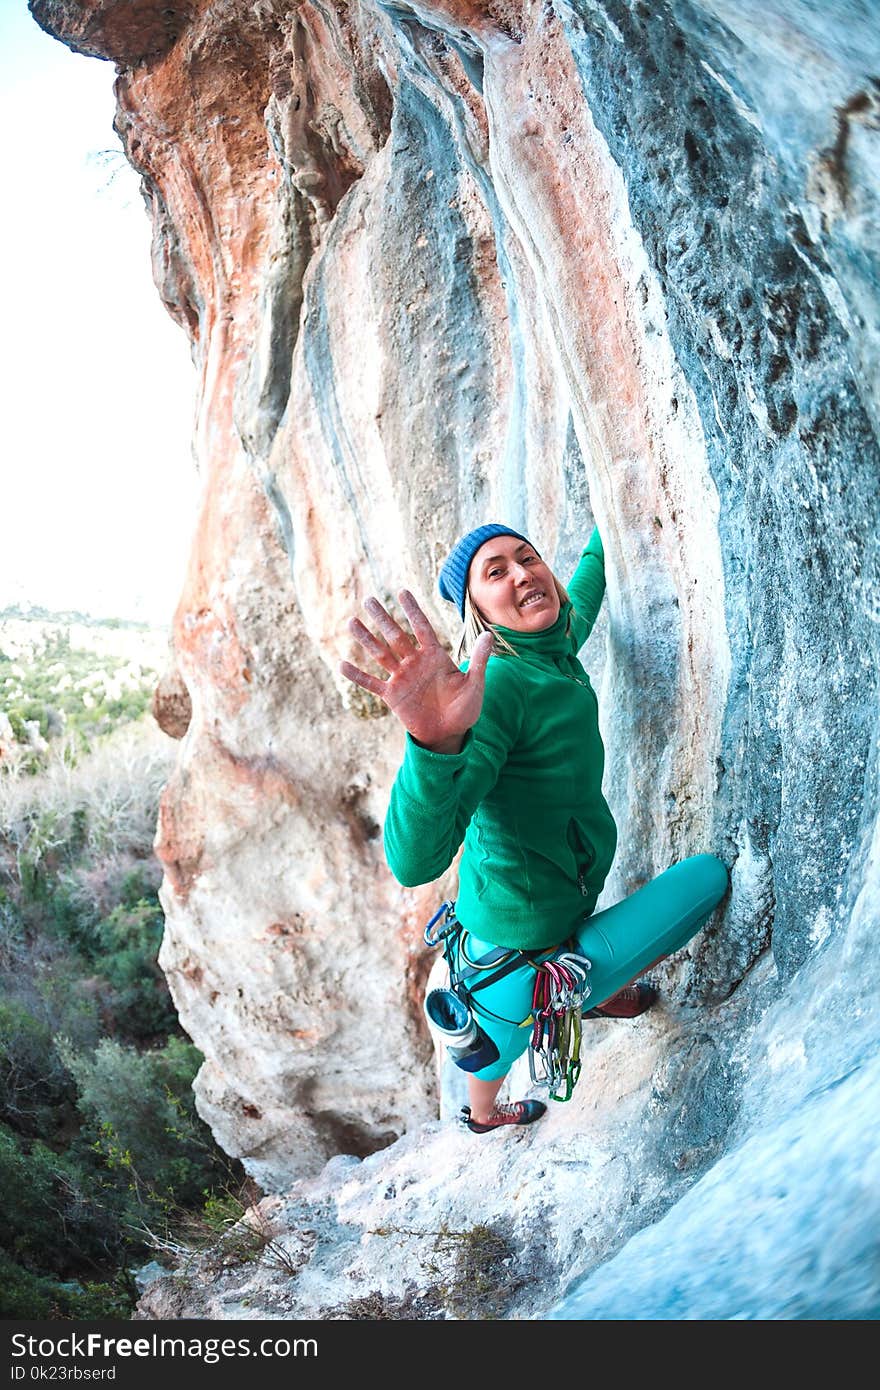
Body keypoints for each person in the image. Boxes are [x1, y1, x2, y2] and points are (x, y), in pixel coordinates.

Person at [340, 523, 729, 1133]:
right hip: (516, 950)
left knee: (533, 978)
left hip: (549, 897)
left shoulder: (550, 643)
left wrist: (609, 514)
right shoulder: (496, 686)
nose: (523, 573)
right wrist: (433, 742)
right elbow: (415, 863)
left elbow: (586, 590)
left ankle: (590, 991)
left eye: (528, 559)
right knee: (705, 881)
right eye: (496, 572)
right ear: (478, 613)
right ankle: (485, 1114)